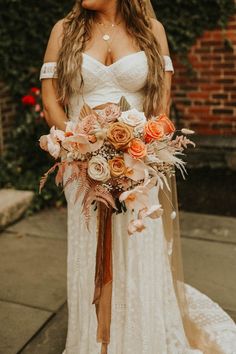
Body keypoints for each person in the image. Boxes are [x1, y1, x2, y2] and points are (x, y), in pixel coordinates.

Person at [39, 1, 236, 353]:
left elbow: (160, 103)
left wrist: (139, 148)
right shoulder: (64, 30)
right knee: (91, 249)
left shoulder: (151, 30)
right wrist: (80, 144)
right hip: (83, 164)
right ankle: (95, 342)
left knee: (138, 246)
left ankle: (139, 340)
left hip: (138, 161)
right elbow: (51, 99)